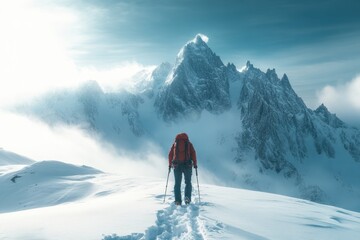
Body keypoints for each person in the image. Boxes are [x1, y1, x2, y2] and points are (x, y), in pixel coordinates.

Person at [168, 133, 197, 205]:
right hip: (187, 165)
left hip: (176, 165)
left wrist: (169, 165)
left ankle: (178, 200)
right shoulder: (189, 144)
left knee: (177, 183)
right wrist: (195, 164)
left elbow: (170, 154)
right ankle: (187, 198)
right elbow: (193, 153)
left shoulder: (175, 144)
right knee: (188, 182)